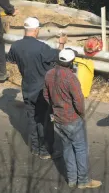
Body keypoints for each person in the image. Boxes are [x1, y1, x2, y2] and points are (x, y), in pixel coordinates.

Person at [6, 17, 67, 159]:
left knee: (32, 119)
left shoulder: (16, 46)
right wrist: (61, 44)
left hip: (27, 87)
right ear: (36, 30)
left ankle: (34, 147)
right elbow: (60, 57)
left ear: (25, 29)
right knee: (45, 120)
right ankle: (45, 150)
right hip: (42, 90)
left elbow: (11, 59)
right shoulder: (42, 48)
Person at [43, 48, 102, 189]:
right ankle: (83, 180)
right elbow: (78, 100)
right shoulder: (71, 78)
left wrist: (56, 108)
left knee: (67, 148)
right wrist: (81, 114)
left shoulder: (49, 74)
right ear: (71, 63)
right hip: (72, 119)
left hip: (58, 119)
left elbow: (46, 96)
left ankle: (71, 179)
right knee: (80, 149)